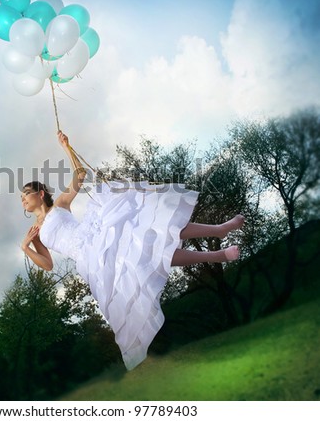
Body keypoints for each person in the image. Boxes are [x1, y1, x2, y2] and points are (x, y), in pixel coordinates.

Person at [21, 131, 244, 370]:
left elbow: (80, 174)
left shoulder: (60, 205)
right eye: (21, 198)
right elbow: (48, 264)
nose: (23, 200)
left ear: (40, 194)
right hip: (92, 258)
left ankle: (218, 229)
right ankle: (217, 255)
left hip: (96, 232)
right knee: (151, 255)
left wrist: (66, 146)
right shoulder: (35, 233)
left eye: (26, 195)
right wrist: (26, 247)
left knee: (152, 228)